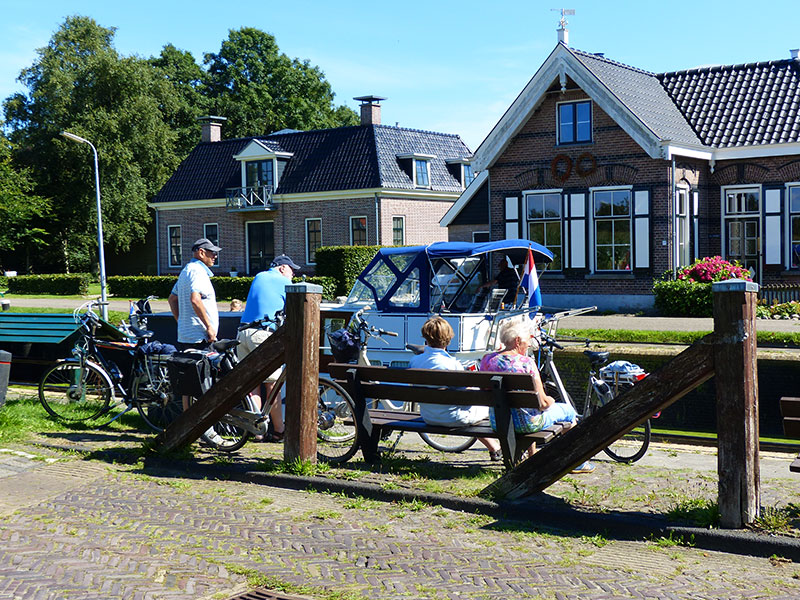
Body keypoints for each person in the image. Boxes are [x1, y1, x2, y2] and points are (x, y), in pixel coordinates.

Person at [479, 319, 595, 473]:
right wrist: (552, 400)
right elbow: (542, 404)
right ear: (518, 340)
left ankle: (533, 455)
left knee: (526, 409)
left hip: (498, 422)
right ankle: (576, 462)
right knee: (568, 411)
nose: (529, 344)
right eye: (528, 339)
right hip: (527, 424)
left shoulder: (488, 360)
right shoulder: (527, 363)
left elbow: (484, 389)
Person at [408, 316, 502, 461]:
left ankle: (494, 448)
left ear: (425, 337)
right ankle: (503, 449)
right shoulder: (452, 364)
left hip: (428, 417)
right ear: (448, 339)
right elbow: (464, 393)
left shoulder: (415, 361)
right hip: (454, 418)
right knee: (489, 406)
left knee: (469, 408)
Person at [236, 254, 301, 442]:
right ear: (282, 268)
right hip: (262, 335)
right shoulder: (283, 282)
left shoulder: (259, 276)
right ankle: (279, 430)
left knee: (252, 385)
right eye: (292, 270)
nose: (294, 274)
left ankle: (257, 430)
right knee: (273, 384)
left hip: (242, 333)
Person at [168, 238, 220, 350]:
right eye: (213, 253)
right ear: (201, 252)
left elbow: (172, 299)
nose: (215, 256)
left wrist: (181, 322)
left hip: (186, 337)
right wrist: (209, 327)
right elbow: (195, 299)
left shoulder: (186, 271)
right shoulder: (198, 271)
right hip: (200, 338)